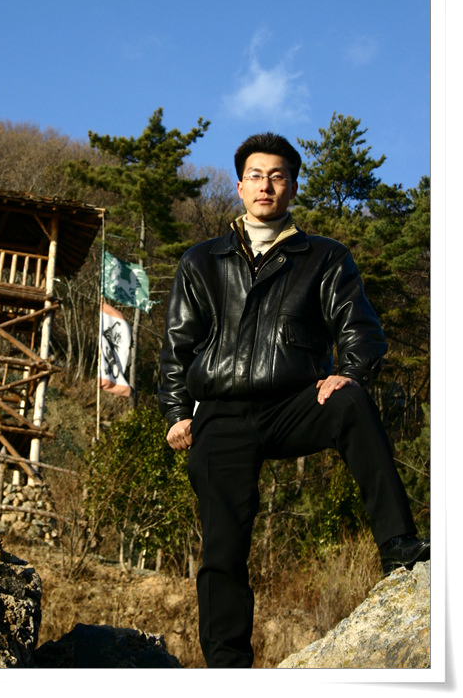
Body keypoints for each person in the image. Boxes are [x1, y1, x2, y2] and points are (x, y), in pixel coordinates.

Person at [158, 132, 430, 668]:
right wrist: (175, 413)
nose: (267, 185)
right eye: (256, 176)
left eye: (278, 176)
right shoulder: (201, 261)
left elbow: (361, 330)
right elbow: (176, 346)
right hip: (220, 412)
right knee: (222, 548)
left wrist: (349, 373)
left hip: (293, 403)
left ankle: (400, 544)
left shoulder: (324, 256)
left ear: (293, 187)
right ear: (239, 186)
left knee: (350, 402)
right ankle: (227, 670)